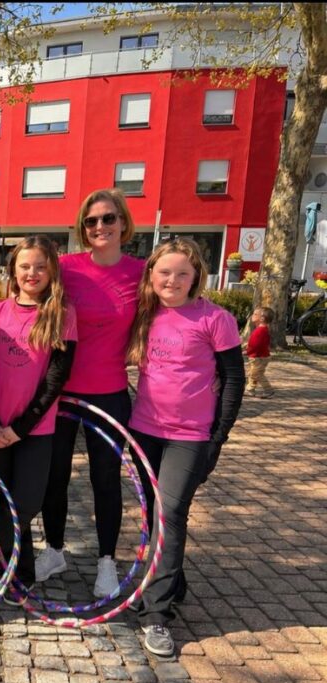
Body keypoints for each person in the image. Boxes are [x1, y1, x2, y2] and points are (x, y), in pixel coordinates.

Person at [125, 238, 244, 656]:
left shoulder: (215, 319)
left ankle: (156, 614)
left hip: (190, 436)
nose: (171, 280)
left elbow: (234, 379)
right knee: (155, 514)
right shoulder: (145, 313)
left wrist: (218, 437)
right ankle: (170, 583)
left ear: (196, 277)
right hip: (145, 430)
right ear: (151, 275)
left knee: (171, 513)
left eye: (181, 273)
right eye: (164, 272)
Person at [0, 237, 77, 602]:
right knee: (5, 502)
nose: (32, 273)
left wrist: (21, 428)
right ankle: (20, 573)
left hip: (35, 428)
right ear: (13, 271)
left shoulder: (62, 315)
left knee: (26, 503)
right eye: (24, 266)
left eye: (40, 267)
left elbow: (56, 379)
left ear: (52, 271)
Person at [38, 189, 145, 599]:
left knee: (105, 480)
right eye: (91, 220)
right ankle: (53, 549)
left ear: (123, 223)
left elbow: (171, 311)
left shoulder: (141, 273)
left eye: (108, 218)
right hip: (61, 391)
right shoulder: (65, 268)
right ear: (83, 228)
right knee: (54, 476)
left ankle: (106, 561)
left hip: (110, 393)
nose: (100, 226)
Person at [245, 306, 274, 398]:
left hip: (259, 357)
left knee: (257, 374)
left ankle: (268, 390)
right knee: (253, 373)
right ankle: (250, 389)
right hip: (259, 356)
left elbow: (255, 345)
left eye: (255, 314)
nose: (252, 316)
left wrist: (247, 351)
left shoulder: (260, 331)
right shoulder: (262, 330)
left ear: (262, 319)